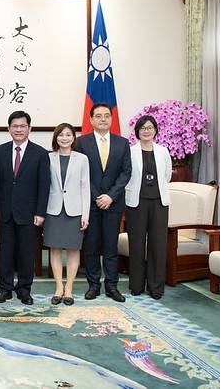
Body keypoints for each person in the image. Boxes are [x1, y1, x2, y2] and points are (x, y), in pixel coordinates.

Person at [0, 111, 50, 305]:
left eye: (22, 126)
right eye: (14, 126)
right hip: (5, 212)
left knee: (26, 254)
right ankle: (4, 289)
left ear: (29, 129)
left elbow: (44, 185)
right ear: (9, 129)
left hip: (29, 213)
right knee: (5, 253)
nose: (18, 129)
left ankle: (24, 290)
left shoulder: (40, 153)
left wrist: (41, 212)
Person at [75, 102, 132, 303]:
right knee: (91, 247)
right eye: (98, 116)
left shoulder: (123, 143)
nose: (102, 119)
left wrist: (110, 196)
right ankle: (93, 286)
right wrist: (97, 195)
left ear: (111, 119)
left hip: (113, 204)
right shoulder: (81, 142)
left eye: (106, 115)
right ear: (91, 120)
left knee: (110, 247)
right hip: (90, 203)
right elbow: (80, 173)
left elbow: (126, 172)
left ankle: (112, 286)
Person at [124, 115, 172, 299]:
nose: (147, 131)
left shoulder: (163, 151)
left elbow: (167, 175)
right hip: (136, 202)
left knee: (157, 245)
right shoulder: (130, 151)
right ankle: (136, 286)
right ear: (137, 131)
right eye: (143, 128)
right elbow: (127, 175)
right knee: (136, 244)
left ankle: (156, 287)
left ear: (155, 130)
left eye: (150, 128)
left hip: (159, 202)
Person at [43, 123, 90, 306]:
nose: (64, 138)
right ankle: (58, 287)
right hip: (53, 209)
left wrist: (85, 214)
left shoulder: (82, 159)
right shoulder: (48, 158)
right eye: (61, 135)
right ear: (56, 137)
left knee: (73, 249)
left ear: (73, 138)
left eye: (68, 135)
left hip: (74, 210)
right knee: (54, 249)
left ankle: (69, 288)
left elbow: (85, 187)